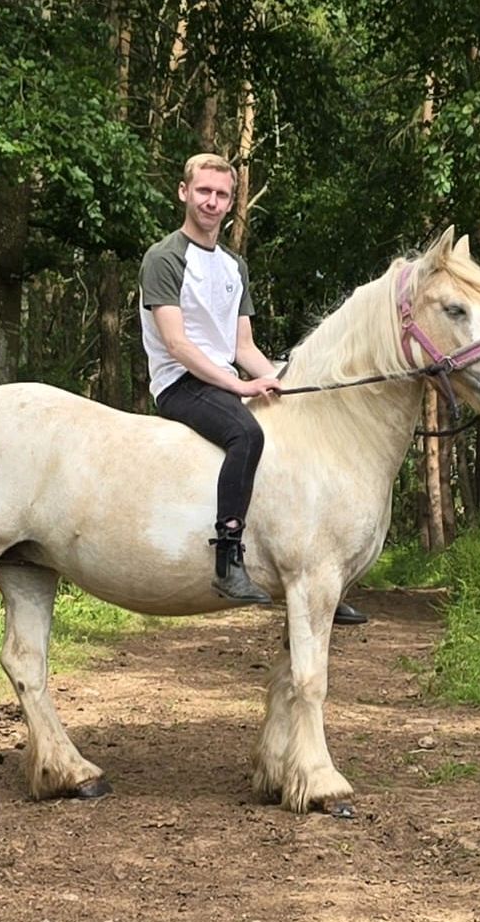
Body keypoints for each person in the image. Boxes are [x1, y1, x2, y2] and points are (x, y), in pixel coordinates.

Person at [138, 153, 369, 624]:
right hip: (182, 384)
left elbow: (244, 346)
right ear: (184, 193)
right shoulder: (163, 258)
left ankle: (316, 573)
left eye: (222, 195)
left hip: (224, 380)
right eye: (203, 191)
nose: (212, 201)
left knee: (296, 431)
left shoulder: (233, 266)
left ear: (231, 202)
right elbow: (177, 344)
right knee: (248, 435)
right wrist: (240, 387)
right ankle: (227, 559)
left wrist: (287, 384)